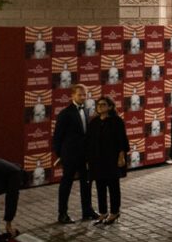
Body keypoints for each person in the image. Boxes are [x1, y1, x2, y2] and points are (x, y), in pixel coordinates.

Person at [51, 88, 94, 223]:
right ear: (72, 96)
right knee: (66, 184)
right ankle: (62, 214)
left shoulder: (86, 111)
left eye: (84, 94)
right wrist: (60, 155)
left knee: (86, 184)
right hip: (70, 155)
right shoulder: (65, 113)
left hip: (84, 155)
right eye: (79, 94)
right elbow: (57, 136)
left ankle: (87, 211)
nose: (82, 97)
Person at [85, 94, 129, 224]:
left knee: (113, 186)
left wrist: (121, 157)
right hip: (97, 160)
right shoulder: (94, 122)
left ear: (110, 107)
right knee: (100, 187)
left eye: (103, 104)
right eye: (98, 105)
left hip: (112, 159)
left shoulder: (116, 121)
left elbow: (122, 141)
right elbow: (89, 142)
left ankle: (114, 212)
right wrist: (88, 160)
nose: (100, 107)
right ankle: (103, 212)